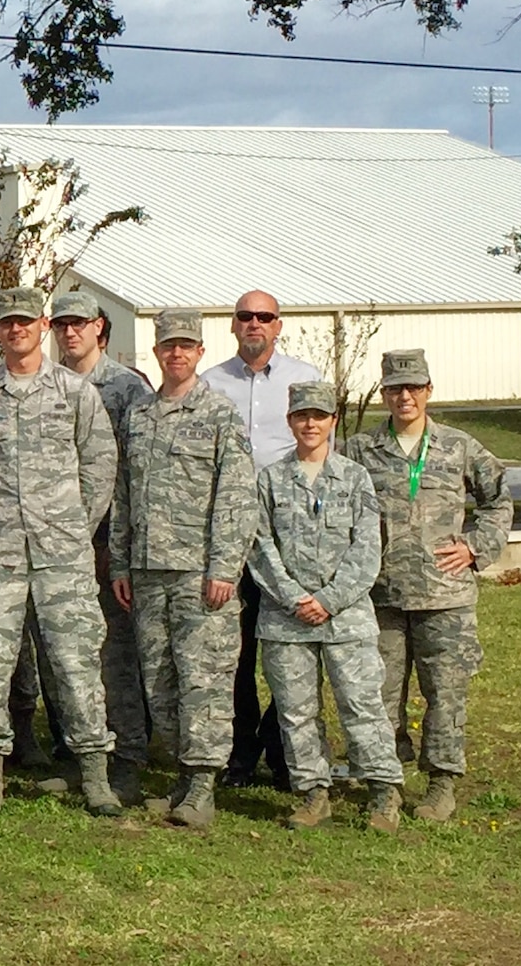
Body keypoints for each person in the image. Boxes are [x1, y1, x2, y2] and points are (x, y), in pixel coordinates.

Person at [0, 287, 122, 815]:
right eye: (7, 323)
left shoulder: (74, 393)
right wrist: (0, 520)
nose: (16, 330)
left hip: (63, 555)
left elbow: (99, 466)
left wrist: (70, 524)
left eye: (25, 321)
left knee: (76, 663)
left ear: (42, 326)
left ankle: (93, 773)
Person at [343, 349, 512, 823]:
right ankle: (386, 781)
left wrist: (477, 547)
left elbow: (499, 500)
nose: (405, 397)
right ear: (383, 394)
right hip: (379, 596)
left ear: (429, 391)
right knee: (378, 693)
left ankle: (441, 783)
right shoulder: (359, 450)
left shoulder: (459, 447)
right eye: (395, 389)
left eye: (414, 387)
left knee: (446, 692)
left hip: (446, 596)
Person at [110, 309, 257, 829]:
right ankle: (179, 774)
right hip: (148, 573)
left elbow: (238, 497)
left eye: (186, 346)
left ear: (199, 353)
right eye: (168, 346)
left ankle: (202, 784)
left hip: (200, 575)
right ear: (156, 353)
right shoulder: (140, 415)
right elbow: (124, 493)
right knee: (161, 680)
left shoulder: (218, 414)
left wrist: (224, 568)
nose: (176, 353)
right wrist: (121, 561)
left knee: (205, 681)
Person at [248, 382, 402, 832]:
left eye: (319, 415)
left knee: (362, 705)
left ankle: (382, 792)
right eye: (301, 416)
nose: (310, 424)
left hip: (347, 618)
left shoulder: (354, 478)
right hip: (285, 619)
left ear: (333, 421)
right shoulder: (271, 480)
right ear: (290, 421)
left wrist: (329, 600)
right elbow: (260, 547)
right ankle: (313, 793)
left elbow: (367, 550)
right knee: (296, 712)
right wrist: (295, 598)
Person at [200, 290, 321, 789]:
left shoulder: (305, 379)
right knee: (236, 654)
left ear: (278, 325)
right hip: (227, 535)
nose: (254, 324)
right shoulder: (210, 384)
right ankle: (240, 753)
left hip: (288, 535)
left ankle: (281, 743)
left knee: (295, 646)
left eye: (264, 317)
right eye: (245, 316)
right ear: (232, 325)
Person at [48, 290, 154, 796]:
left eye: (80, 324)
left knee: (115, 654)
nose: (70, 333)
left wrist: (118, 544)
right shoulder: (47, 386)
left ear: (99, 329)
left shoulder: (126, 388)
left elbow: (133, 473)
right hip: (57, 541)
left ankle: (129, 753)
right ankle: (77, 751)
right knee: (66, 653)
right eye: (62, 324)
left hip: (107, 541)